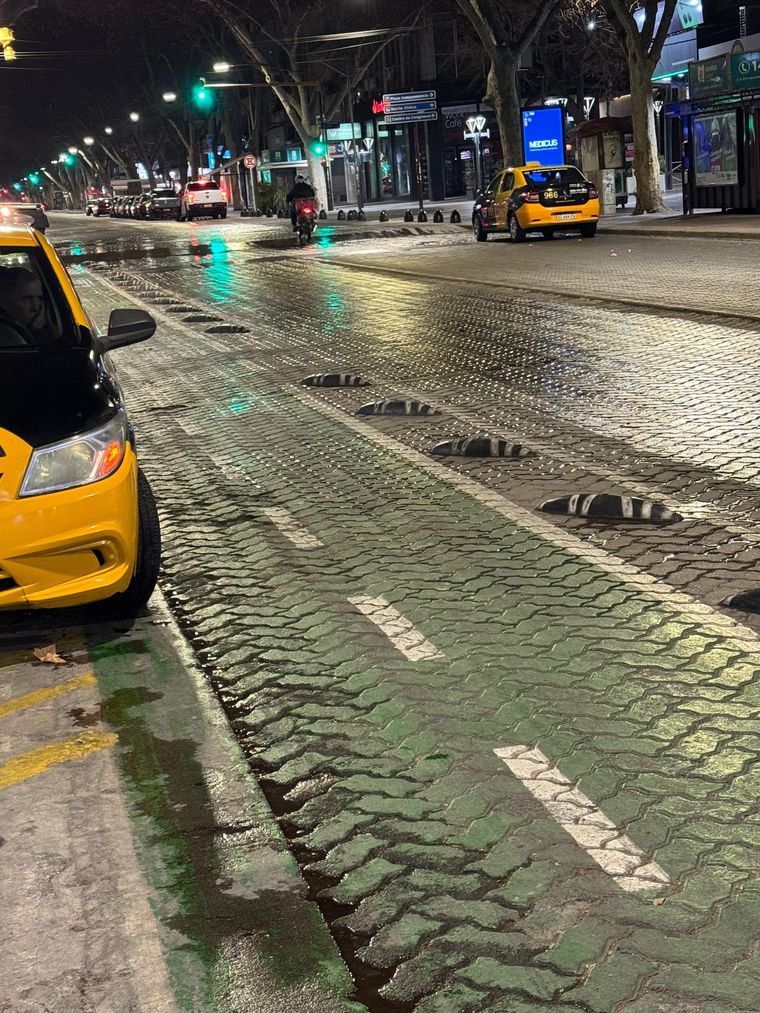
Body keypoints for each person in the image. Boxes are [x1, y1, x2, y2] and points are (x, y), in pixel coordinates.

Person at [0, 266, 55, 344]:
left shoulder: (19, 327)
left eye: (40, 298)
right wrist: (39, 331)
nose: (36, 307)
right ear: (3, 300)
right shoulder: (7, 332)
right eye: (28, 299)